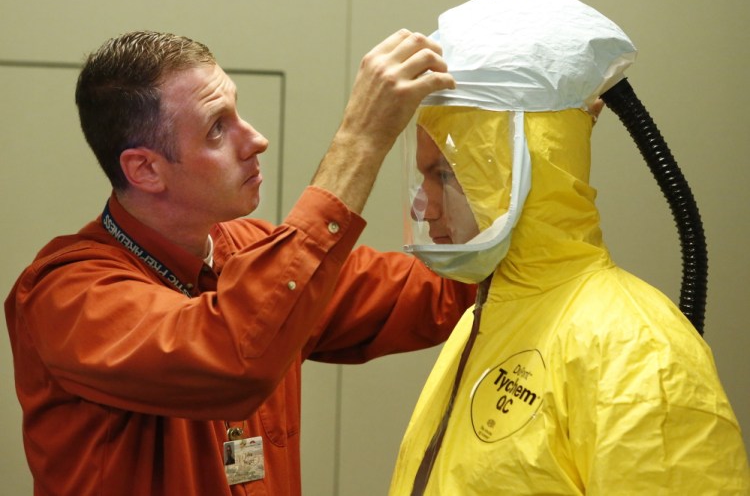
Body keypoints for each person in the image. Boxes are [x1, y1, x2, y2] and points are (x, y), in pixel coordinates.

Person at [4, 29, 477, 495]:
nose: (255, 139)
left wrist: (515, 215)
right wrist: (360, 138)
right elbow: (232, 355)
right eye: (216, 128)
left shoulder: (248, 250)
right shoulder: (65, 294)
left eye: (236, 112)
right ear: (145, 169)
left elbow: (438, 291)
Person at [389, 0, 750, 495]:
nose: (420, 206)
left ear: (522, 167)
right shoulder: (482, 320)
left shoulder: (640, 351)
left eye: (446, 174)